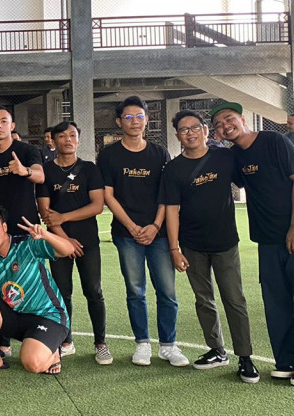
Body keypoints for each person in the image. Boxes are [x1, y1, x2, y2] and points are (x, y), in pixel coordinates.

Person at [211, 101, 294, 387]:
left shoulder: (274, 141)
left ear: (242, 118)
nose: (225, 126)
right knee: (276, 300)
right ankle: (286, 360)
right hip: (267, 236)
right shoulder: (234, 156)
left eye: (229, 118)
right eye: (219, 125)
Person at [162, 111, 258, 383]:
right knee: (204, 300)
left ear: (205, 131)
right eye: (183, 130)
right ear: (177, 136)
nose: (190, 133)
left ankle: (245, 357)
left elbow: (250, 179)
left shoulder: (225, 157)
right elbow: (172, 210)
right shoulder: (173, 169)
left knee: (234, 299)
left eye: (195, 127)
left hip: (225, 242)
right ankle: (217, 350)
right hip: (192, 245)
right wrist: (174, 249)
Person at [97, 95, 186, 368]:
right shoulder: (109, 155)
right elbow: (108, 195)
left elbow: (167, 195)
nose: (134, 122)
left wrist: (156, 225)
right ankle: (143, 344)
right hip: (127, 235)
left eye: (139, 116)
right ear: (118, 122)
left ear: (147, 120)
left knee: (167, 291)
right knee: (136, 291)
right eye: (128, 117)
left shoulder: (160, 153)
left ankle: (169, 345)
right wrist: (132, 226)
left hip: (159, 234)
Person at [36, 121, 111, 364]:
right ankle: (66, 341)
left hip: (88, 241)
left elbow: (97, 206)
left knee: (94, 291)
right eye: (62, 136)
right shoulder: (46, 171)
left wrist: (65, 217)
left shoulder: (89, 169)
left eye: (72, 135)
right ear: (53, 140)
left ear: (79, 140)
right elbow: (45, 211)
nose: (67, 139)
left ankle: (101, 343)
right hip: (58, 243)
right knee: (62, 293)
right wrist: (65, 240)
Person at [0, 206, 70, 374]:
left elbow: (68, 249)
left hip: (48, 316)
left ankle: (54, 353)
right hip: (18, 317)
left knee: (32, 364)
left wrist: (45, 234)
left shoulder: (27, 245)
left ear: (4, 227)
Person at [0, 107, 44, 236]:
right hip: (0, 228)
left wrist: (25, 170)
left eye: (4, 121)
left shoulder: (28, 150)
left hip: (27, 226)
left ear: (12, 126)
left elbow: (40, 176)